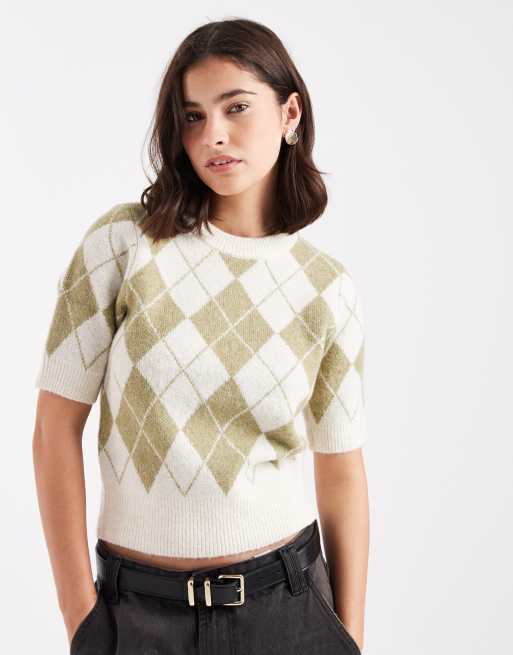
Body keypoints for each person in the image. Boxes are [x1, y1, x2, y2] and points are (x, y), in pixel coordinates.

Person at [32, 17, 369, 655]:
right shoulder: (123, 245)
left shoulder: (326, 288)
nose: (213, 133)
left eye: (236, 107)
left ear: (290, 113)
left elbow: (342, 471)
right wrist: (81, 618)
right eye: (192, 116)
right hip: (135, 615)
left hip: (287, 609)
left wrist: (348, 635)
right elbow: (54, 428)